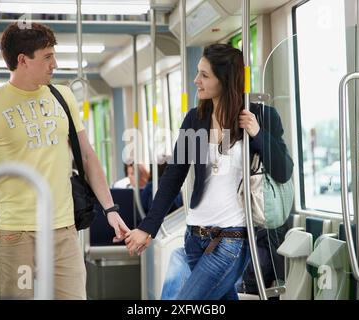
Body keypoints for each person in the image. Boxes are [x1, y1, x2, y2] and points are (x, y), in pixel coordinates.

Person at [0, 22, 129, 299]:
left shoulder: (63, 96)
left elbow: (87, 156)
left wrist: (111, 210)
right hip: (16, 234)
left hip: (62, 230)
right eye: (47, 56)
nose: (54, 63)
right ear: (23, 60)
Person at [125, 43, 293, 300]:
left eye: (204, 75)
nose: (196, 81)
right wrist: (148, 227)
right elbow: (173, 176)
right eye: (197, 73)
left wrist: (257, 133)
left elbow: (283, 171)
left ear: (224, 80)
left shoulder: (261, 116)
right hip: (193, 237)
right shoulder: (195, 119)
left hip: (230, 239)